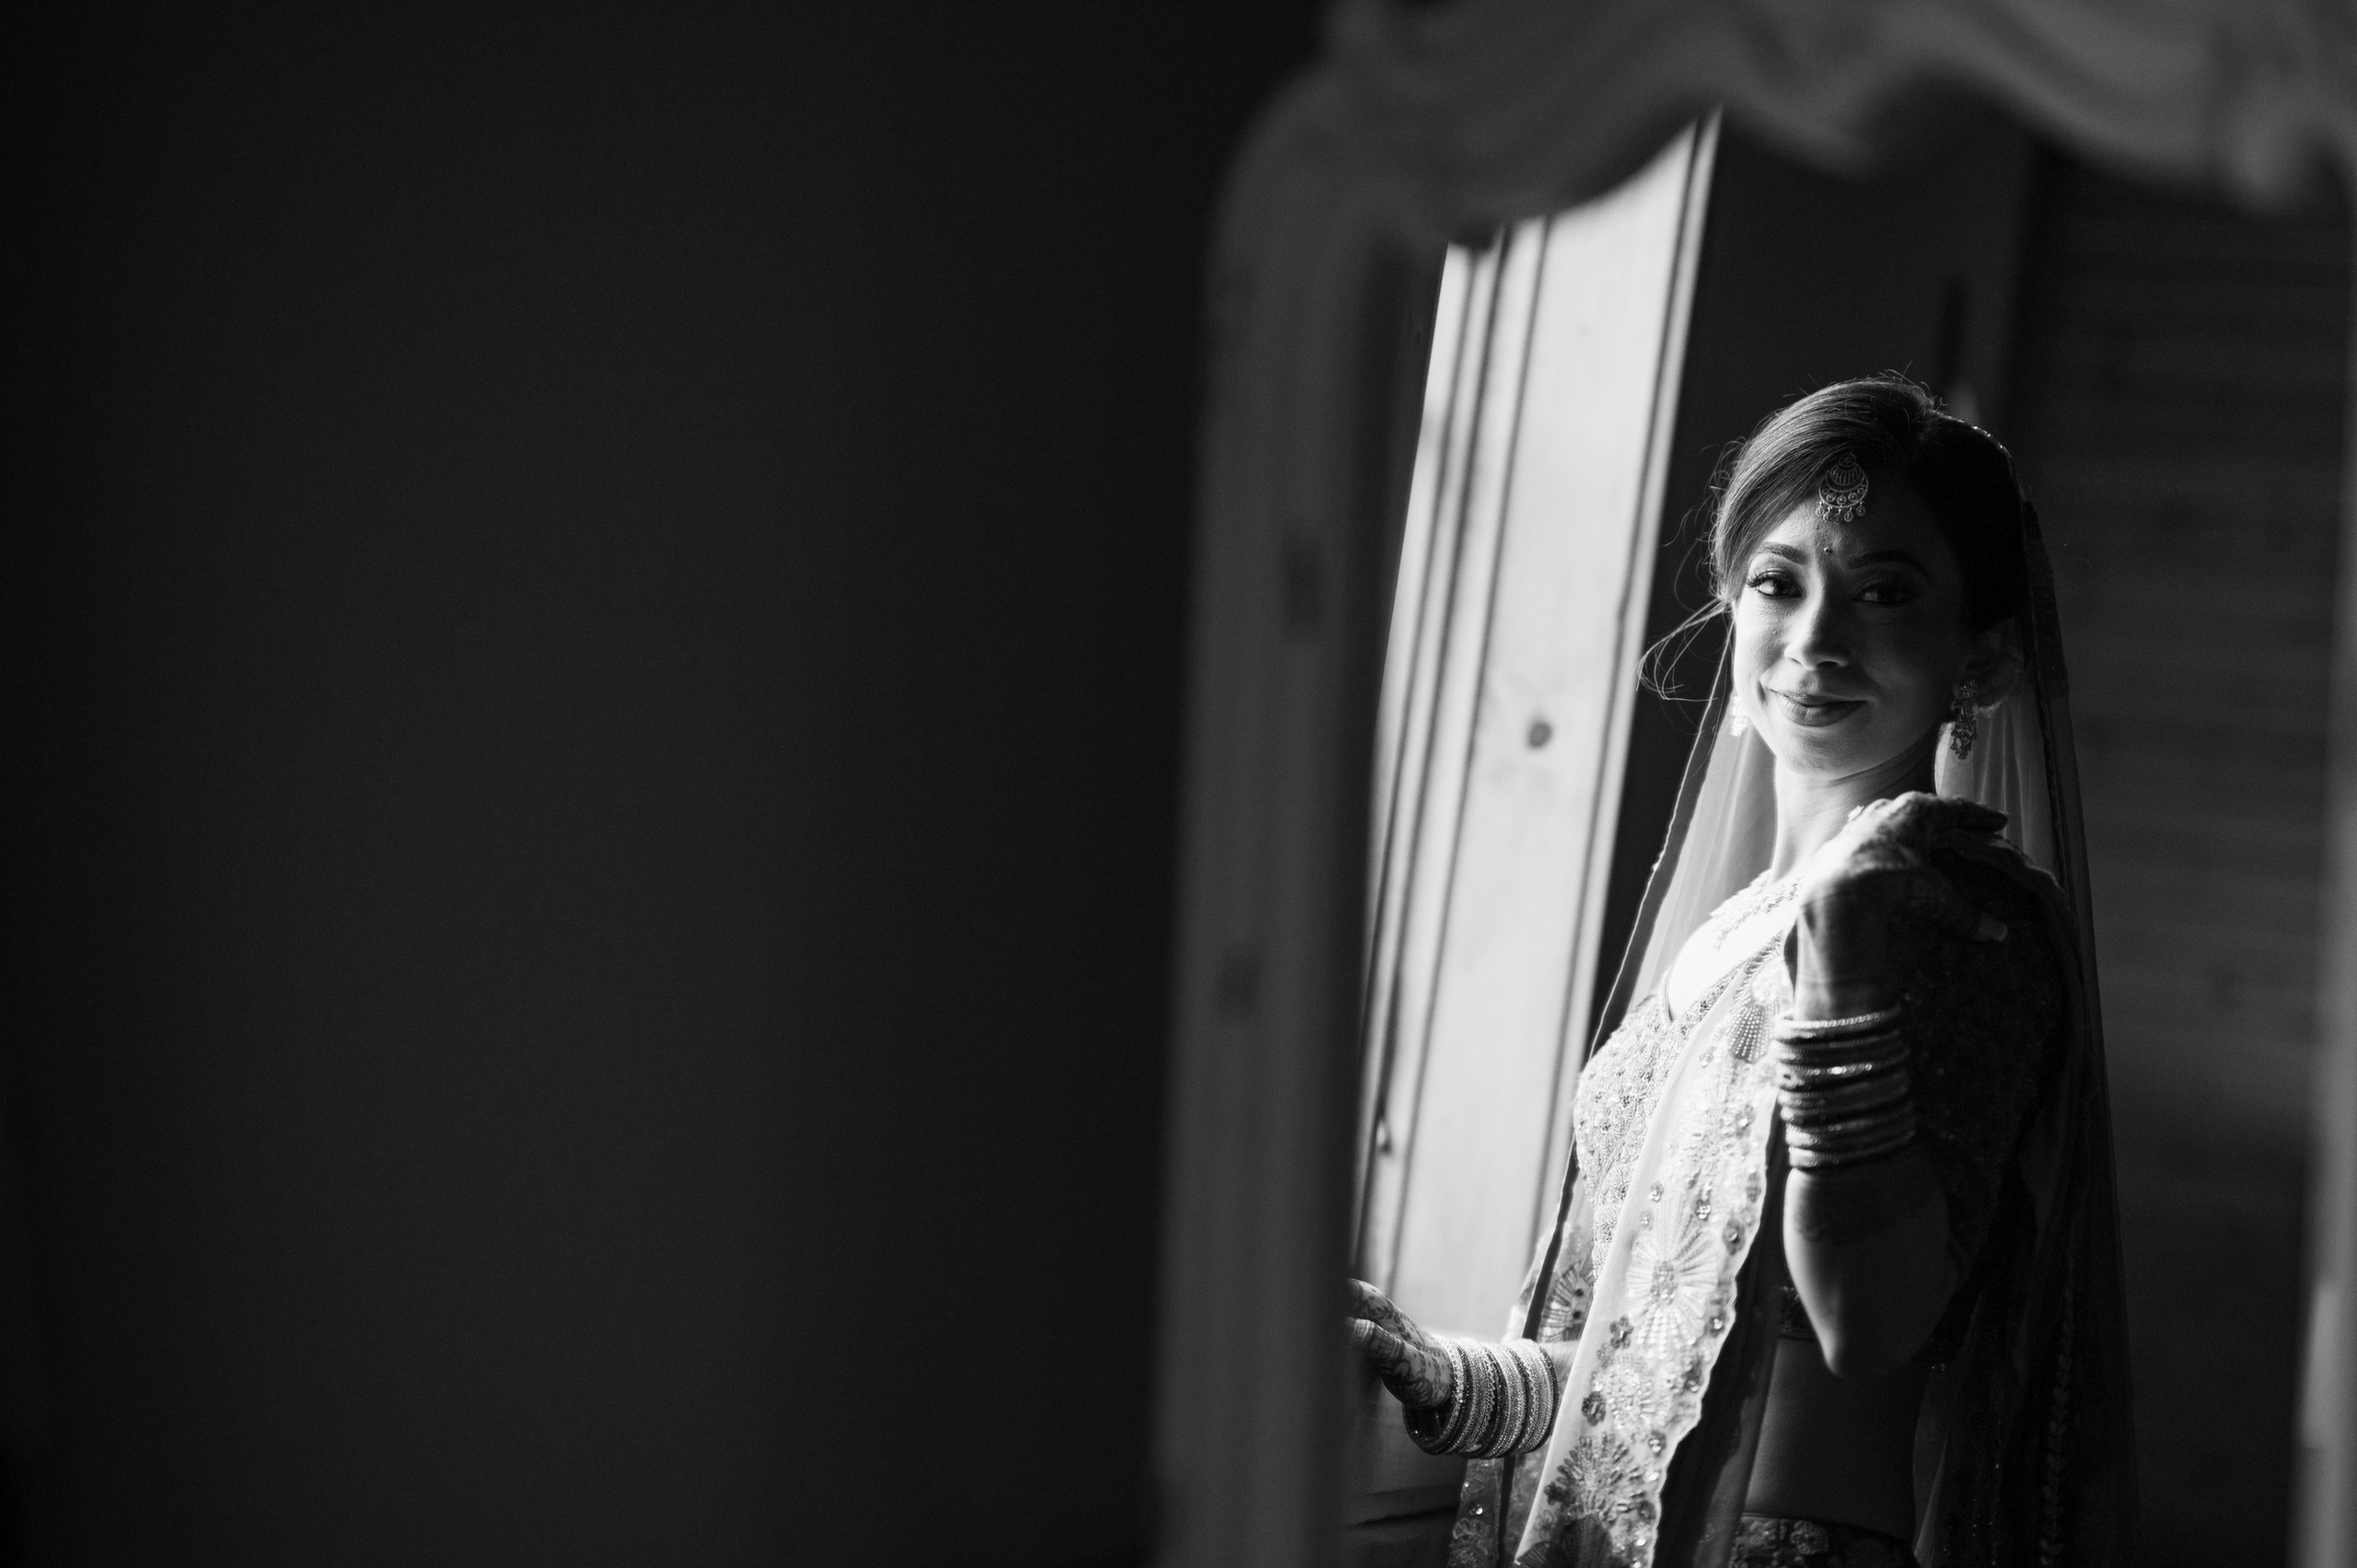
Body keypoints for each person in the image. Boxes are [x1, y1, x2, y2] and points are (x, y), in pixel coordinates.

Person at [1347, 376, 2135, 1568]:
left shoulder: (1960, 915)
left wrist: (1844, 977)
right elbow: (1667, 1358)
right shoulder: (1726, 931)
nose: (1816, 640)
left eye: (1883, 593)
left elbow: (1869, 1330)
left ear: (1976, 656)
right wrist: (1449, 1376)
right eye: (1779, 582)